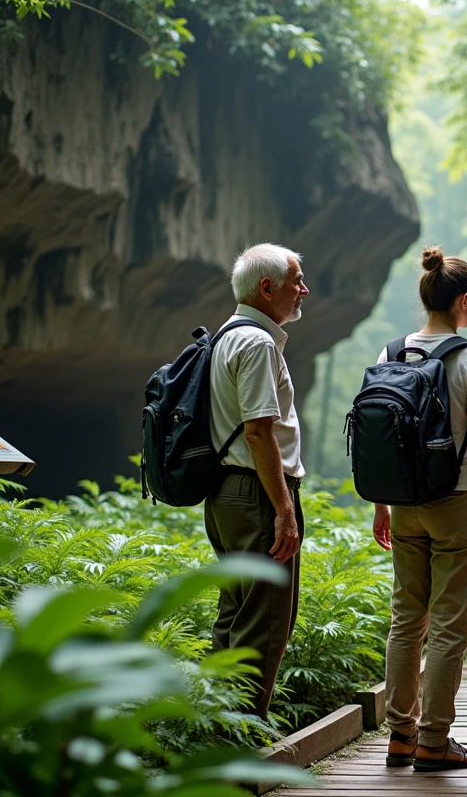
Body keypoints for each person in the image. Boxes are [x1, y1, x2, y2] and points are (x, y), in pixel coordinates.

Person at [372, 246, 467, 772]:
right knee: (451, 624)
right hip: (456, 503)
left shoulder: (391, 355)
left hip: (406, 504)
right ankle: (434, 740)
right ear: (465, 300)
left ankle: (400, 736)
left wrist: (381, 505)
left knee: (406, 619)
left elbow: (383, 439)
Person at [205, 242, 309, 719]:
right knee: (266, 622)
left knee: (235, 617)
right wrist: (285, 509)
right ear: (267, 288)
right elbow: (258, 430)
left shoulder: (226, 335)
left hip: (227, 494)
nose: (303, 290)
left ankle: (214, 731)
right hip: (259, 496)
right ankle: (240, 753)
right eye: (296, 281)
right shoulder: (258, 342)